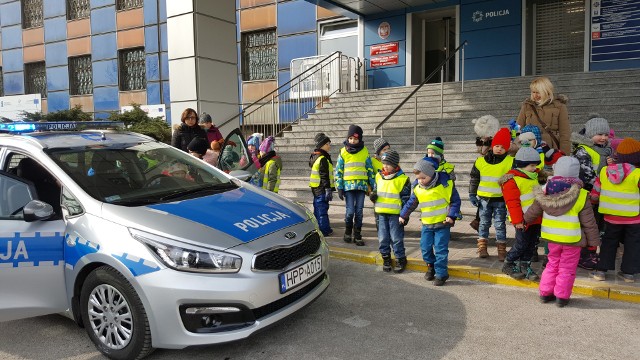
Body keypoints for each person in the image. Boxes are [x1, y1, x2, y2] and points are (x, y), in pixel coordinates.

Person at [524, 156, 600, 307]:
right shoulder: (581, 194)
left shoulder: (545, 191)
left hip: (551, 237)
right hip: (572, 239)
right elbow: (589, 222)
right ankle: (562, 297)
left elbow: (532, 212)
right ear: (576, 173)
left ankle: (545, 293)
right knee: (567, 267)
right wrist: (594, 242)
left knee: (552, 264)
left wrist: (524, 220)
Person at [400, 158, 460, 286]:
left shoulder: (446, 185)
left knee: (440, 250)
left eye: (423, 178)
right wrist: (403, 215)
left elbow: (455, 201)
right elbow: (411, 203)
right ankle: (430, 267)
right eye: (418, 178)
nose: (420, 181)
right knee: (425, 248)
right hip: (427, 224)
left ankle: (441, 274)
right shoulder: (417, 188)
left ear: (431, 174)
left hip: (442, 224)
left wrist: (451, 216)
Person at [590, 138, 640, 283]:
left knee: (608, 242)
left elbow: (595, 194)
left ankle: (601, 271)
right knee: (633, 243)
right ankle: (629, 274)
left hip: (610, 217)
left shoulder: (605, 171)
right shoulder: (637, 174)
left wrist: (593, 201)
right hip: (634, 217)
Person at [571, 115, 612, 270]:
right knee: (588, 226)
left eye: (606, 134)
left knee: (596, 227)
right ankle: (583, 255)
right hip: (587, 195)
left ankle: (591, 253)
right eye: (599, 134)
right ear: (590, 135)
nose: (603, 137)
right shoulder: (583, 151)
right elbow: (586, 175)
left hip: (600, 195)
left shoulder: (605, 151)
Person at [469, 127, 514, 261]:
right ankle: (482, 248)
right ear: (492, 146)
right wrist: (472, 194)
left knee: (500, 224)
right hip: (484, 200)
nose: (499, 149)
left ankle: (501, 249)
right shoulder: (480, 161)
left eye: (502, 147)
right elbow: (474, 178)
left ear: (507, 148)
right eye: (497, 146)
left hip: (500, 199)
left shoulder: (510, 161)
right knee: (483, 223)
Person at [499, 146, 542, 280]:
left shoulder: (534, 176)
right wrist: (518, 221)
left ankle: (525, 265)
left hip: (535, 218)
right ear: (522, 165)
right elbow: (513, 203)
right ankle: (509, 263)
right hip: (522, 220)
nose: (534, 168)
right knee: (521, 244)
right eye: (532, 165)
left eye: (536, 165)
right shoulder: (512, 180)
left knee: (532, 243)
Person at [370, 149, 411, 273]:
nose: (385, 166)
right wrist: (373, 195)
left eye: (388, 164)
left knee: (396, 238)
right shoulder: (378, 176)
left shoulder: (403, 179)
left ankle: (400, 258)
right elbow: (376, 191)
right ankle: (386, 258)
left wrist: (405, 215)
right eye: (383, 163)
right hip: (381, 213)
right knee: (383, 238)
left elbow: (406, 200)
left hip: (395, 215)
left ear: (395, 164)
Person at [335, 125, 376, 246]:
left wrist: (373, 186)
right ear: (348, 138)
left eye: (355, 139)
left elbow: (369, 169)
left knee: (359, 212)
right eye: (351, 138)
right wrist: (340, 187)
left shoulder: (364, 151)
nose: (353, 141)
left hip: (361, 187)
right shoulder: (343, 152)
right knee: (350, 212)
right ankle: (348, 231)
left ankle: (357, 234)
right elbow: (339, 171)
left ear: (360, 139)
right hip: (348, 188)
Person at [516, 76, 571, 154]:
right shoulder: (527, 106)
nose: (535, 95)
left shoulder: (559, 107)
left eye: (538, 92)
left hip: (551, 149)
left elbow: (565, 133)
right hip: (530, 148)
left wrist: (564, 155)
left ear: (546, 91)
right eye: (533, 92)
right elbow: (518, 129)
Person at [470, 115, 501, 231]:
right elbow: (481, 152)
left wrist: (487, 144)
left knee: (489, 201)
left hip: (493, 168)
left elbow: (484, 152)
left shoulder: (494, 141)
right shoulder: (482, 140)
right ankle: (479, 222)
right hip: (484, 168)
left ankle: (480, 221)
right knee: (484, 200)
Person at [309, 133, 335, 237]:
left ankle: (317, 228)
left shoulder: (315, 156)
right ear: (322, 145)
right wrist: (328, 189)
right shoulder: (323, 158)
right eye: (327, 144)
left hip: (316, 188)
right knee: (322, 210)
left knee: (318, 209)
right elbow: (324, 176)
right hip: (322, 189)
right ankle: (324, 230)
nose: (329, 146)